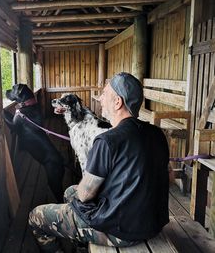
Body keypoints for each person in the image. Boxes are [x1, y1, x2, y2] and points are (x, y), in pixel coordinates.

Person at [28, 72, 170, 252]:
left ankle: (78, 239)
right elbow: (169, 177)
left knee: (36, 216)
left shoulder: (107, 140)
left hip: (121, 232)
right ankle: (81, 245)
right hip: (152, 223)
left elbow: (85, 195)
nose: (100, 99)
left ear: (118, 102)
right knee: (69, 192)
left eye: (104, 94)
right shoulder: (157, 134)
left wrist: (87, 189)